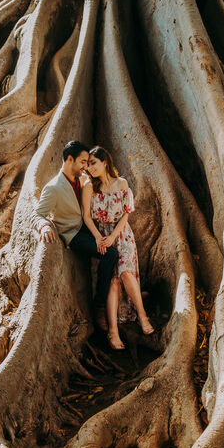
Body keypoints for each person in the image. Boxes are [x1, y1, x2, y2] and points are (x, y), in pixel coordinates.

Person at [35, 140, 119, 328]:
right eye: (82, 162)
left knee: (116, 247)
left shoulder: (81, 179)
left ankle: (124, 298)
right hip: (72, 234)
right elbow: (38, 213)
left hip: (86, 226)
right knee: (111, 253)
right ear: (70, 159)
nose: (86, 166)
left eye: (88, 162)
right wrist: (44, 226)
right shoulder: (53, 188)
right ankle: (99, 307)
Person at [80, 145, 154, 350]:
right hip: (101, 237)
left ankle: (142, 316)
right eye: (88, 165)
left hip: (122, 234)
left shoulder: (122, 184)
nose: (91, 168)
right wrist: (99, 237)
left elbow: (126, 214)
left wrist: (114, 236)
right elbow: (86, 216)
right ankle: (113, 331)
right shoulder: (89, 187)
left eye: (94, 163)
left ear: (105, 162)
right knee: (113, 281)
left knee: (126, 273)